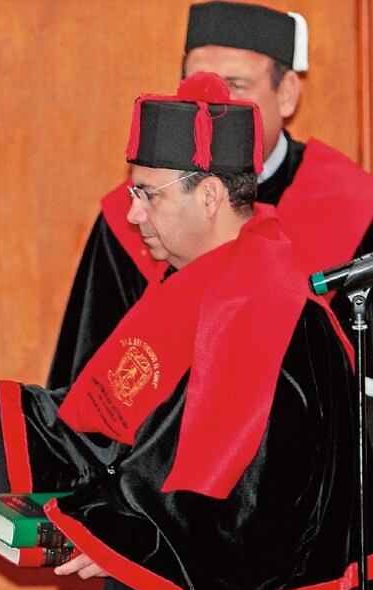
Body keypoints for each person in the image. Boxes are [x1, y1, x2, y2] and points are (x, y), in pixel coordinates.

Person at [0, 74, 366, 590]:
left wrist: (135, 540)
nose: (131, 213)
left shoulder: (263, 309)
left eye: (148, 194)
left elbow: (259, 500)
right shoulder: (201, 292)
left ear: (209, 196)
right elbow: (119, 426)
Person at [48, 0, 373, 389]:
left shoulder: (355, 208)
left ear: (286, 93)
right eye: (197, 86)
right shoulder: (134, 215)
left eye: (235, 86)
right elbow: (86, 387)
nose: (213, 109)